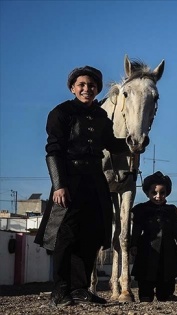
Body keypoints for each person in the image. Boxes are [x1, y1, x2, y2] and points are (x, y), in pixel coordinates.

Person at [34, 66, 131, 307]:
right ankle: (60, 291)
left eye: (92, 85)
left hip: (95, 180)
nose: (87, 89)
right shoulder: (61, 113)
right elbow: (53, 150)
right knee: (65, 237)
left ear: (97, 89)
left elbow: (110, 143)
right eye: (82, 85)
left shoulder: (101, 117)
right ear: (72, 88)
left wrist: (133, 143)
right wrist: (59, 185)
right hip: (69, 180)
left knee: (91, 235)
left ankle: (79, 289)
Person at [130, 171, 177, 302]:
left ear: (167, 193)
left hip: (168, 248)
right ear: (147, 193)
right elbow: (137, 229)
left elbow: (176, 228)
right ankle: (145, 294)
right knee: (145, 273)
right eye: (154, 193)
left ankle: (166, 294)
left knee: (167, 273)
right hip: (147, 248)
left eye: (162, 193)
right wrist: (133, 244)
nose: (158, 196)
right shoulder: (141, 210)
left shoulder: (171, 210)